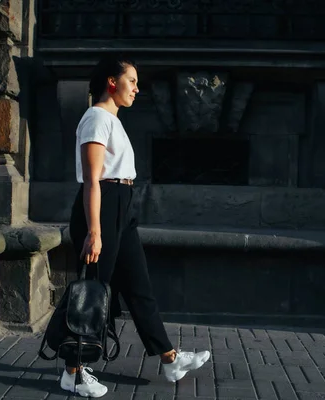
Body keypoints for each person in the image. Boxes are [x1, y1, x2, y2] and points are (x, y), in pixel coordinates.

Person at [62, 54, 211, 397]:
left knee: (139, 287)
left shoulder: (111, 119)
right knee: (91, 293)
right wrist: (95, 230)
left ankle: (170, 358)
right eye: (132, 81)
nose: (137, 89)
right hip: (102, 208)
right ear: (112, 82)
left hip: (122, 207)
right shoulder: (96, 118)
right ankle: (73, 371)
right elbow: (92, 180)